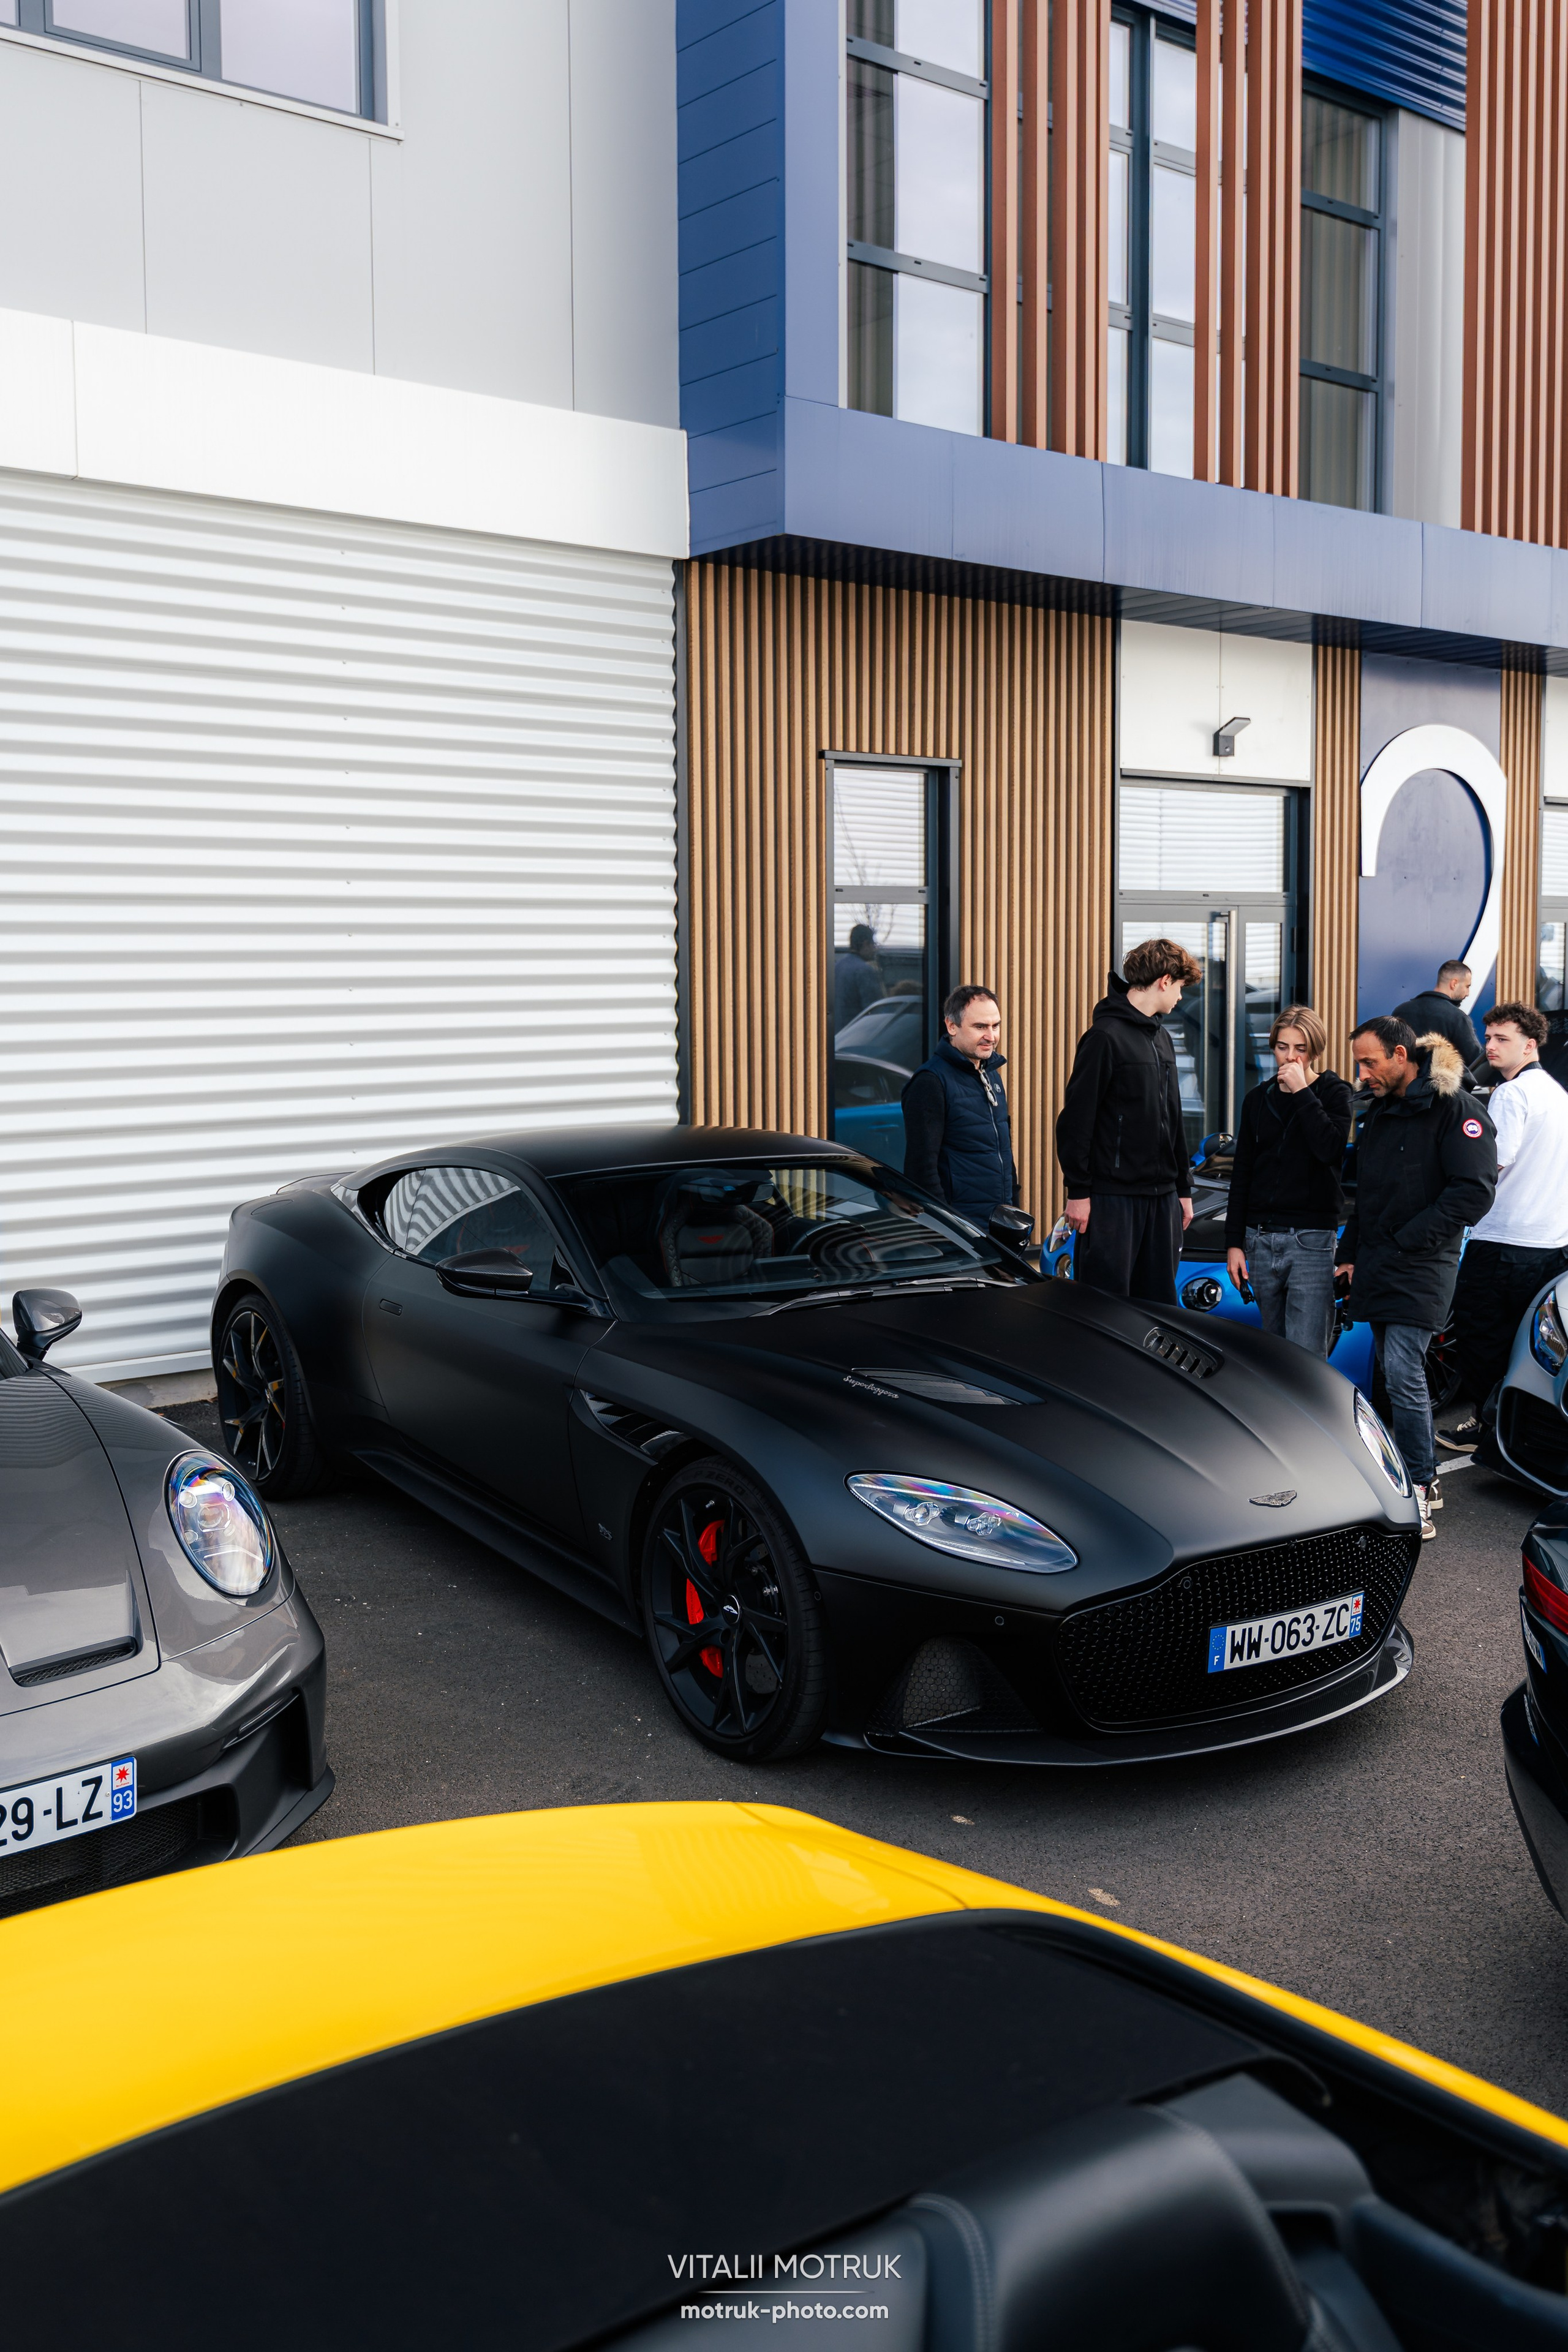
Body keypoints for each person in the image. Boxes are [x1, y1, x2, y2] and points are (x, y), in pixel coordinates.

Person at [1334, 1017, 1497, 1540]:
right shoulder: (1380, 1111)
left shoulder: (1456, 1108)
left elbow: (1474, 1192)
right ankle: (1417, 1475)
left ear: (1401, 1056)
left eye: (1370, 1062)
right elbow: (1367, 1195)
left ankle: (1422, 1484)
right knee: (1391, 1370)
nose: (1363, 1073)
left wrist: (1409, 1239)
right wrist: (1348, 1255)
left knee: (1404, 1371)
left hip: (1423, 1262)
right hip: (1381, 1260)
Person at [1439, 1001, 1568, 1454]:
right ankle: (1518, 1432)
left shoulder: (1512, 1095)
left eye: (1502, 1039)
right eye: (1488, 1037)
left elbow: (1489, 1165)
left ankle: (1485, 1426)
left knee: (1481, 1339)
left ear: (1530, 1045)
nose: (1490, 1046)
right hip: (1551, 1243)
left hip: (1503, 1241)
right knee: (1528, 1347)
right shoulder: (1557, 1093)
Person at [1055, 938, 1202, 1302]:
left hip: (1163, 1200)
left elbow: (1173, 1119)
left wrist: (1183, 1189)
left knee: (1159, 1307)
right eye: (1180, 987)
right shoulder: (1104, 1038)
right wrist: (1078, 1192)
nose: (1180, 997)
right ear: (1165, 981)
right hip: (1113, 1201)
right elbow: (1076, 1121)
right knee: (1106, 1306)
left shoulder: (1162, 1038)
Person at [1224, 1006, 1355, 1355]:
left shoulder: (1334, 1092)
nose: (1291, 1057)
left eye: (1301, 1049)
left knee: (1307, 1355)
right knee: (1273, 1354)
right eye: (1283, 1047)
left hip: (1311, 1240)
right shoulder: (1258, 1098)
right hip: (1259, 1238)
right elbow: (1243, 1172)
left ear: (1315, 1051)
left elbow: (1329, 1149)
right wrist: (1234, 1242)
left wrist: (1301, 1092)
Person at [901, 985, 1017, 1226]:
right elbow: (922, 1170)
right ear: (952, 1026)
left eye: (995, 1026)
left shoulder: (991, 1074)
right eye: (980, 1027)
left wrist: (1012, 1208)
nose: (991, 1036)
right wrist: (951, 1227)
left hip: (999, 1224)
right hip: (961, 1230)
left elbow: (1002, 1152)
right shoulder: (930, 1082)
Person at [1392, 961, 1484, 1075]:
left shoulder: (1400, 1011)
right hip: (1439, 1084)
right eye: (1467, 986)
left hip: (1401, 1082)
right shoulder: (1458, 1018)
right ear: (1454, 984)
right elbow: (1476, 1061)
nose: (1468, 993)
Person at [834, 924, 883, 1030]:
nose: (874, 949)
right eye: (873, 945)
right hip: (856, 1034)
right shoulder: (865, 971)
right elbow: (875, 1013)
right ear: (866, 944)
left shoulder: (836, 967)